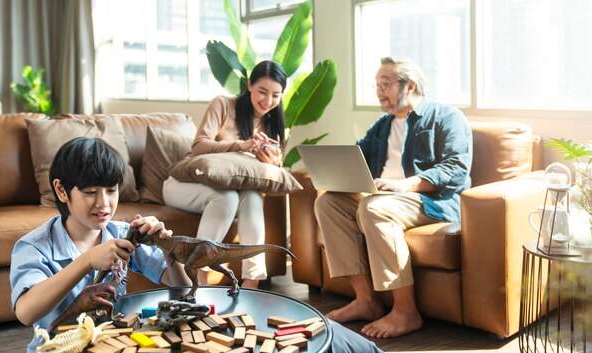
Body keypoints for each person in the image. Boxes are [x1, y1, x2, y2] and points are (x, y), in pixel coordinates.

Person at [10, 137, 192, 353]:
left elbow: (183, 288)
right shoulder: (33, 246)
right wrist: (86, 261)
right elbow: (25, 311)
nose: (104, 203)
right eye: (90, 192)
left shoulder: (122, 234)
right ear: (61, 190)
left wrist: (167, 248)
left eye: (111, 190)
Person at [314, 56, 472, 338]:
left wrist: (405, 185)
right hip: (385, 196)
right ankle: (365, 301)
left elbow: (456, 168)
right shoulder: (383, 125)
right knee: (328, 203)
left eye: (384, 85)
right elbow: (358, 156)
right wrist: (336, 170)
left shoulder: (447, 116)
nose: (378, 92)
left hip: (431, 201)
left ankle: (406, 311)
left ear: (409, 85)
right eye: (376, 85)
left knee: (372, 208)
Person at [163, 60, 286, 289]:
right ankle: (199, 277)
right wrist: (241, 145)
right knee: (227, 197)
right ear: (249, 85)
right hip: (184, 185)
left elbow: (261, 178)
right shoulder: (223, 105)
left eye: (276, 95)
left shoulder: (272, 125)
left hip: (232, 191)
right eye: (262, 92)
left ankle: (252, 281)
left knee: (252, 197)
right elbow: (198, 146)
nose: (268, 101)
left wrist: (272, 165)